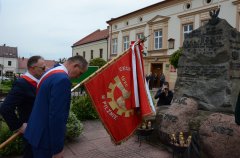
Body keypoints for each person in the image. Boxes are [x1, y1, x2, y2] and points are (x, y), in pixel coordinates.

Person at [24, 56, 88, 158]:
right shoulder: (63, 80)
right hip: (45, 140)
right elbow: (57, 117)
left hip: (35, 133)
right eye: (80, 73)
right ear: (75, 66)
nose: (78, 77)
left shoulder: (51, 72)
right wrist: (57, 149)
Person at [0, 56, 46, 158]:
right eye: (42, 68)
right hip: (30, 130)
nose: (45, 70)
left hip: (40, 128)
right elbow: (5, 108)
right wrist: (18, 126)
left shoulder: (38, 81)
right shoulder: (22, 84)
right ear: (33, 68)